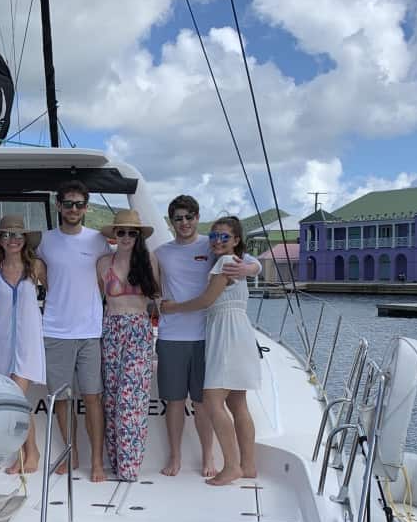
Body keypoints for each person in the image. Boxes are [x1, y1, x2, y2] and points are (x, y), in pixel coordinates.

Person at [154, 195, 260, 477]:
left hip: (209, 336)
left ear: (197, 217)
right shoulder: (162, 252)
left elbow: (249, 264)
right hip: (173, 336)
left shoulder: (215, 247)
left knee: (205, 403)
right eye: (178, 218)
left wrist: (252, 268)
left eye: (189, 217)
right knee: (176, 401)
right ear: (171, 221)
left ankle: (212, 460)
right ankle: (177, 458)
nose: (184, 223)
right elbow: (151, 285)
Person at [38, 180, 112, 482]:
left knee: (93, 397)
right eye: (67, 203)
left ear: (86, 207)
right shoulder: (44, 240)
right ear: (58, 206)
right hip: (55, 329)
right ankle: (71, 453)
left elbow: (115, 271)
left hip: (91, 331)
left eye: (79, 204)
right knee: (62, 399)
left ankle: (96, 461)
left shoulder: (98, 241)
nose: (73, 209)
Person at [97, 211, 160, 481]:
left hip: (138, 330)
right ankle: (116, 462)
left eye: (131, 233)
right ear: (114, 234)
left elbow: (158, 298)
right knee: (111, 399)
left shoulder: (149, 261)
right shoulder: (102, 263)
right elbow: (94, 301)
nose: (125, 237)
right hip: (110, 329)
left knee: (130, 400)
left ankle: (130, 467)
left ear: (138, 236)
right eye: (120, 232)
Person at [0, 215, 47, 474]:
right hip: (1, 341)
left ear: (25, 239)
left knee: (16, 398)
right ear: (0, 239)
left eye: (18, 235)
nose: (13, 239)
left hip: (28, 341)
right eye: (7, 235)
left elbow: (51, 299)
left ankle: (30, 453)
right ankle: (24, 453)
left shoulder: (37, 267)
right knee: (12, 400)